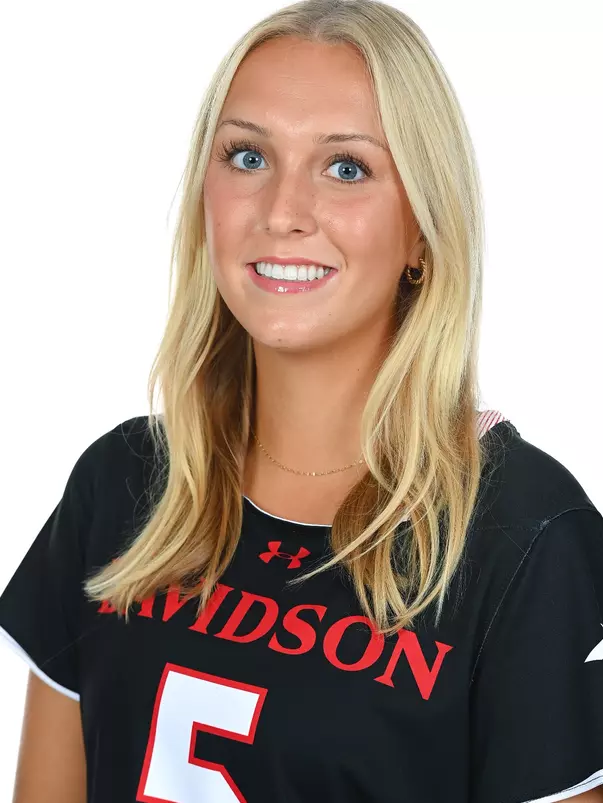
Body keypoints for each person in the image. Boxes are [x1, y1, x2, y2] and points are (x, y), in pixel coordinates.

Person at [1, 1, 602, 801]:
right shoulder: (121, 483)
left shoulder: (523, 534)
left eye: (345, 167)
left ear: (422, 231)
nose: (282, 212)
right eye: (247, 156)